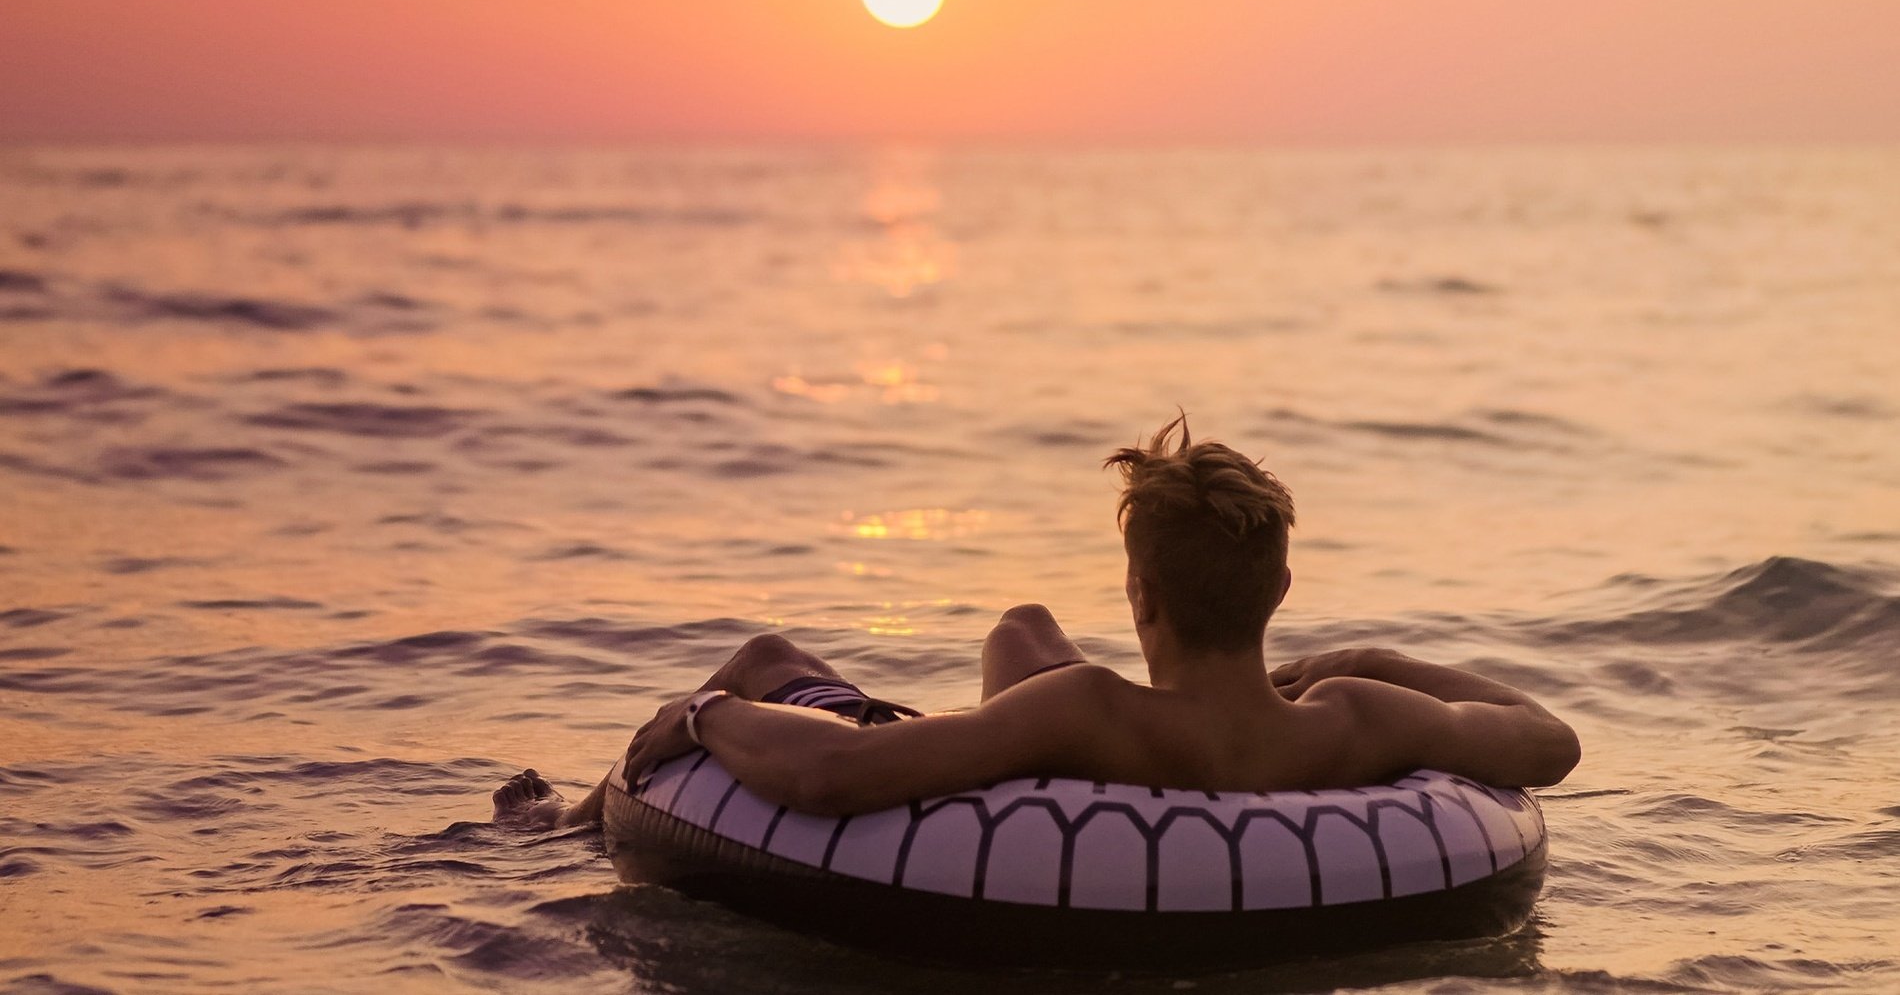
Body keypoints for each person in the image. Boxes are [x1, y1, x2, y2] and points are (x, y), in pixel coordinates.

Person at [493, 415, 1580, 828]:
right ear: (1280, 596)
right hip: (1238, 720)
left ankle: (571, 824)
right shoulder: (1354, 717)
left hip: (1084, 752)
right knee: (1020, 626)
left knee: (773, 656)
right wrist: (1364, 657)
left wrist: (703, 714)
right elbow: (1547, 739)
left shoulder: (1089, 713)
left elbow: (828, 781)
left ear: (1140, 596)